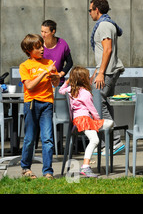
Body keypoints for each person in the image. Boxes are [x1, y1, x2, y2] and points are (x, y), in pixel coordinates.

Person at [59, 66, 114, 178]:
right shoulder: (85, 93)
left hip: (77, 121)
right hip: (85, 120)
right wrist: (97, 120)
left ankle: (101, 145)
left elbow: (60, 90)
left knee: (108, 124)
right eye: (88, 76)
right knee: (95, 139)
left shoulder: (70, 90)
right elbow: (92, 109)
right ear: (84, 79)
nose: (90, 78)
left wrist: (67, 82)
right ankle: (85, 166)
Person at [19, 34, 60, 179]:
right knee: (30, 138)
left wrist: (56, 77)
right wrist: (44, 72)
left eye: (42, 46)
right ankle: (26, 169)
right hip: (31, 103)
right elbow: (29, 86)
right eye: (38, 47)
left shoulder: (48, 62)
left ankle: (48, 172)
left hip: (47, 104)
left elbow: (55, 84)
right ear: (29, 50)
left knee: (47, 139)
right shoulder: (24, 66)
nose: (42, 49)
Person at [89, 0, 125, 154]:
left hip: (107, 72)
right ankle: (107, 145)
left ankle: (115, 141)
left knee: (99, 104)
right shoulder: (107, 24)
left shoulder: (103, 25)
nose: (89, 13)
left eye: (90, 10)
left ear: (97, 9)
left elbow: (107, 49)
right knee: (105, 105)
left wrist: (101, 73)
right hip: (105, 71)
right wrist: (96, 72)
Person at [41, 19, 73, 84]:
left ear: (53, 32)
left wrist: (60, 74)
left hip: (58, 82)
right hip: (42, 82)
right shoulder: (39, 44)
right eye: (42, 31)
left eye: (46, 32)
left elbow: (69, 62)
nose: (43, 34)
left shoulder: (62, 44)